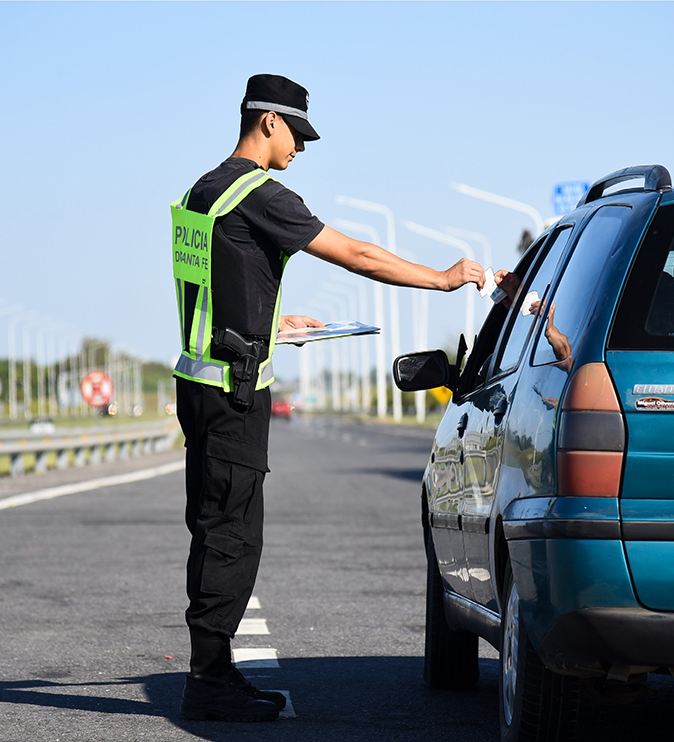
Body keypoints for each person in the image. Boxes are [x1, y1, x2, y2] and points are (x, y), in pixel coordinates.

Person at [170, 74, 485, 723]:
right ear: (267, 123)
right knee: (234, 533)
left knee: (212, 524)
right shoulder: (260, 193)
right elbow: (357, 253)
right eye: (298, 134)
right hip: (234, 395)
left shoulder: (200, 191)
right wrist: (442, 279)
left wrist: (274, 323)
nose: (302, 148)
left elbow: (212, 291)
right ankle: (209, 681)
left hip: (199, 380)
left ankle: (214, 672)